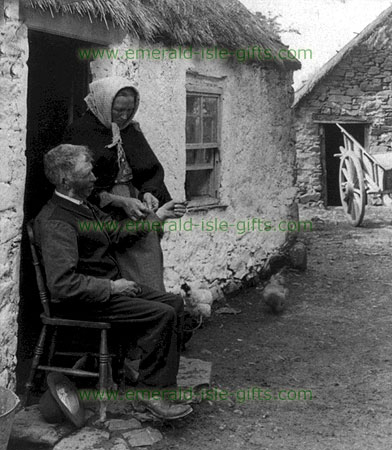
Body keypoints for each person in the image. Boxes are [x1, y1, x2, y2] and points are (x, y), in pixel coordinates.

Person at [34, 144, 192, 420]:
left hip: (106, 291)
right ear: (65, 180)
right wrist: (111, 287)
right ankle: (149, 393)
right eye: (88, 172)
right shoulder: (57, 221)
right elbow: (62, 285)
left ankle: (162, 387)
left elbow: (118, 232)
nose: (95, 178)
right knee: (162, 314)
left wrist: (158, 217)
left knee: (175, 303)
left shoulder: (82, 207)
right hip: (83, 302)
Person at [62, 76, 185, 291]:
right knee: (127, 252)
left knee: (148, 250)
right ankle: (141, 308)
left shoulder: (130, 130)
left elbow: (150, 169)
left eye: (129, 110)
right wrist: (119, 201)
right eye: (118, 110)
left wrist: (148, 192)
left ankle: (153, 306)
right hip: (99, 207)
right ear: (103, 103)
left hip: (133, 201)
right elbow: (77, 185)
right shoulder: (80, 131)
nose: (124, 115)